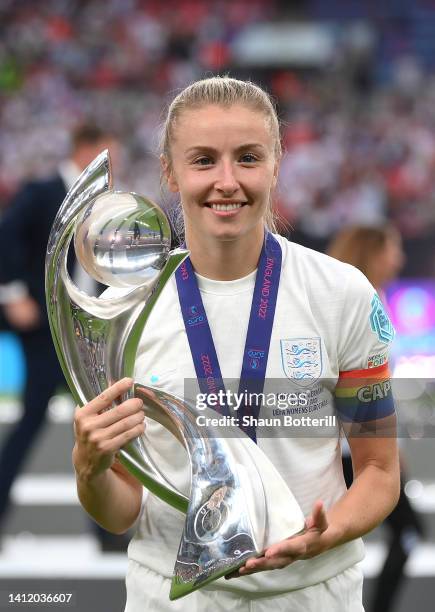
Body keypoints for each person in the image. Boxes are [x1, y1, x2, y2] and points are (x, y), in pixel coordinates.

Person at [72, 77, 400, 611]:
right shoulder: (124, 312)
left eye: (247, 158)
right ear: (169, 172)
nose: (227, 181)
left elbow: (380, 471)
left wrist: (329, 531)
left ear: (276, 164)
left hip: (312, 593)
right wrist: (89, 471)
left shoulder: (341, 293)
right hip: (173, 596)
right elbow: (122, 509)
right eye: (203, 160)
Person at [0, 124, 126, 551]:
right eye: (109, 153)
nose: (116, 163)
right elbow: (6, 237)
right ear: (87, 149)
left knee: (104, 429)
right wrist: (13, 292)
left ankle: (108, 532)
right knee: (32, 422)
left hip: (91, 334)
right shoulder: (42, 191)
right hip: (47, 331)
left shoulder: (108, 203)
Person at [328, 225, 425, 612]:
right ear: (372, 252)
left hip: (362, 449)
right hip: (349, 452)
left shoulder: (372, 301)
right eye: (393, 249)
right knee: (406, 532)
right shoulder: (349, 306)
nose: (399, 258)